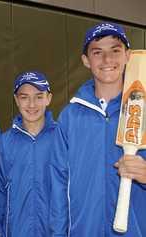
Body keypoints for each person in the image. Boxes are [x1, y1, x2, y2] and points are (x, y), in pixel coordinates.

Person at [50, 22, 146, 236]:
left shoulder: (143, 111)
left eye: (115, 50)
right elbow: (58, 185)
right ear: (86, 60)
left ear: (128, 55)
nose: (108, 60)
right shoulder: (70, 117)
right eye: (97, 52)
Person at [0, 71, 56, 237]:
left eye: (38, 96)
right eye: (24, 97)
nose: (31, 104)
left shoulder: (62, 139)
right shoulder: (4, 143)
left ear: (48, 98)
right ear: (16, 100)